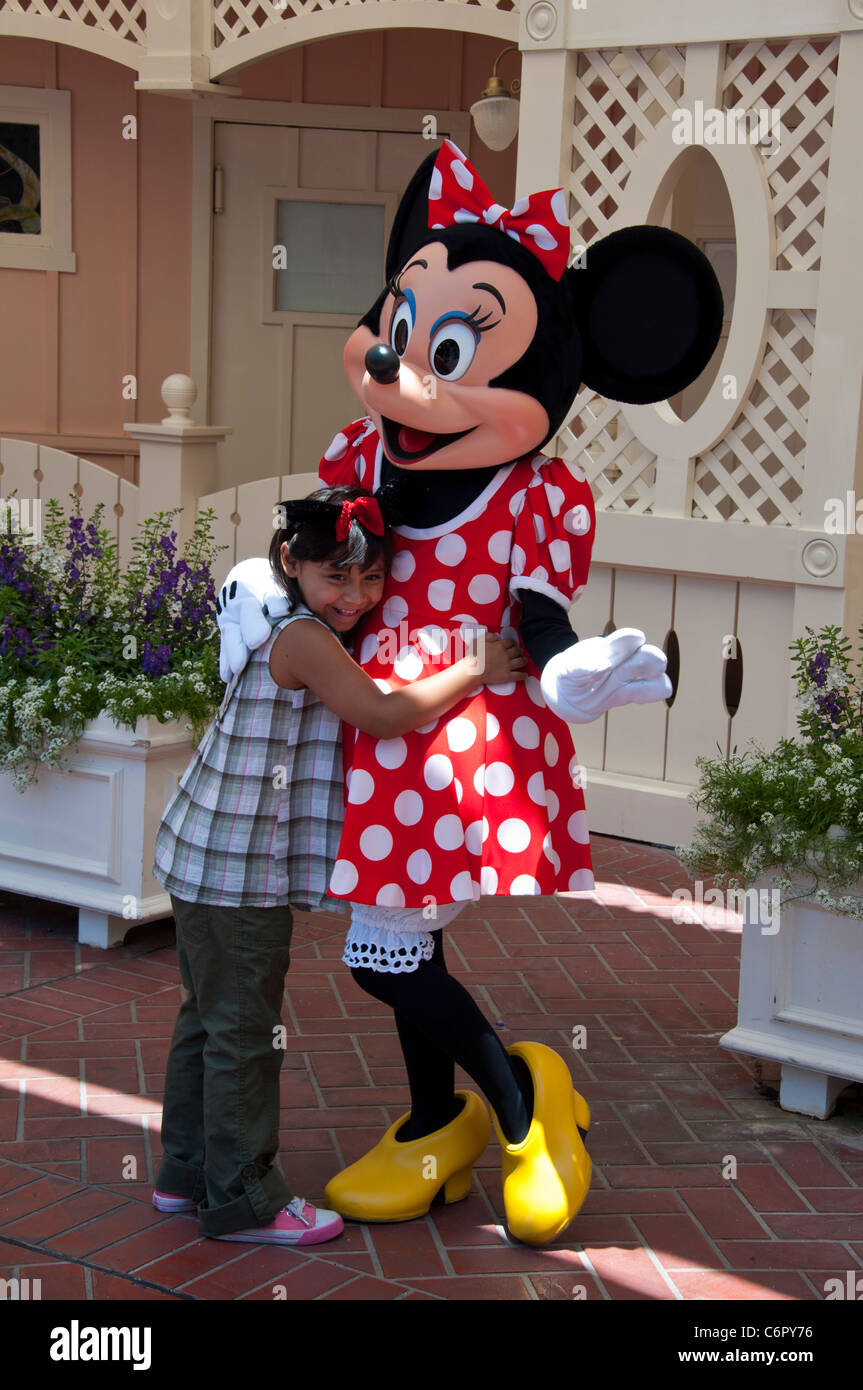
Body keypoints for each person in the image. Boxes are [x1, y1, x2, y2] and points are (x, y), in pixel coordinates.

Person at [150, 484, 526, 1246]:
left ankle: (184, 1175)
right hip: (234, 870)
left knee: (207, 1020)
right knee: (243, 1034)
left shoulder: (278, 612)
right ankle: (244, 1200)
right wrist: (473, 669)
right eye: (336, 576)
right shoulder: (300, 639)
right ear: (291, 562)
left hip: (205, 852)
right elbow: (383, 714)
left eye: (371, 576)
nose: (355, 595)